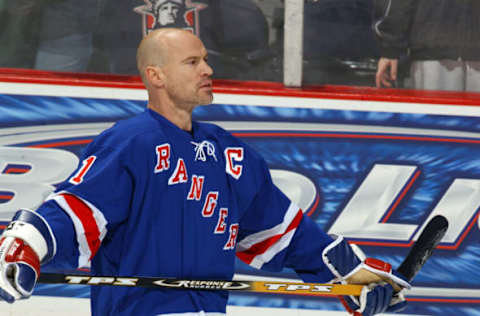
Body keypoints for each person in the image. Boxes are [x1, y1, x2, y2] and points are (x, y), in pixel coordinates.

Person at [0, 29, 410, 316]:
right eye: (192, 61)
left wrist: (350, 273)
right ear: (155, 76)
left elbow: (285, 233)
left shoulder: (229, 153)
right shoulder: (132, 142)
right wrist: (25, 245)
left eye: (207, 60)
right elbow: (77, 210)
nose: (207, 69)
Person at [374, 0, 480, 91]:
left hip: (433, 43)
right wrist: (391, 48)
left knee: (436, 113)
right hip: (434, 46)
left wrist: (390, 47)